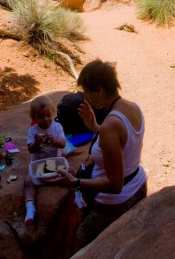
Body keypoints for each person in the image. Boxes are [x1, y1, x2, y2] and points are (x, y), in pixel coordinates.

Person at [50, 59, 147, 249]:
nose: (84, 97)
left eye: (87, 91)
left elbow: (114, 184)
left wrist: (75, 182)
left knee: (82, 242)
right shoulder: (133, 107)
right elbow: (122, 143)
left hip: (116, 201)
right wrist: (95, 127)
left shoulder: (111, 125)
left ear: (100, 91)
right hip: (137, 184)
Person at [24, 95, 67, 225]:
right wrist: (36, 143)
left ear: (53, 113)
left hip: (54, 162)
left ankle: (77, 194)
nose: (46, 119)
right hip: (39, 164)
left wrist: (55, 141)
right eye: (41, 117)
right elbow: (31, 149)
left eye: (48, 115)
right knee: (27, 182)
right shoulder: (32, 131)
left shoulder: (57, 127)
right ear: (34, 117)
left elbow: (63, 144)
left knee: (71, 170)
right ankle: (30, 208)